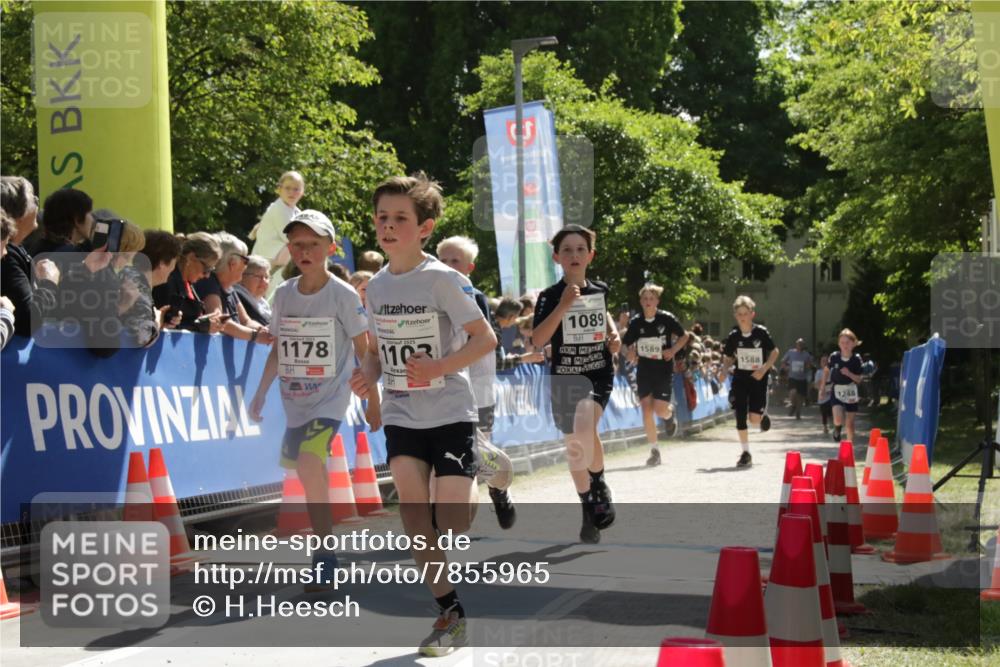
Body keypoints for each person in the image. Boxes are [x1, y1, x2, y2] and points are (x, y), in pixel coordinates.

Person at [349, 174, 496, 657]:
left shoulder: (443, 279)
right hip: (402, 412)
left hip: (450, 409)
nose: (388, 227)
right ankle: (451, 613)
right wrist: (368, 373)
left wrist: (436, 367)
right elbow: (375, 349)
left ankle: (482, 466)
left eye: (400, 219)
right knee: (414, 515)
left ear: (425, 228)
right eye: (382, 218)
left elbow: (485, 340)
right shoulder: (377, 287)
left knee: (450, 524)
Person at [249, 210, 373, 593]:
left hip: (331, 398)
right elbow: (279, 350)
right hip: (294, 399)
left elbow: (364, 347)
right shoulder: (283, 295)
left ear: (330, 248)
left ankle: (323, 553)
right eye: (297, 245)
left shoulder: (343, 294)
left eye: (313, 245)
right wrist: (261, 391)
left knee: (308, 460)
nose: (304, 251)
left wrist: (371, 394)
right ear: (289, 249)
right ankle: (325, 545)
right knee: (304, 471)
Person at [532, 224, 622, 544]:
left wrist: (614, 336)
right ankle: (588, 509)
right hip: (565, 377)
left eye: (580, 249)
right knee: (575, 447)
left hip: (597, 371)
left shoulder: (600, 289)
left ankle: (598, 484)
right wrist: (563, 306)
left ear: (590, 255)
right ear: (557, 257)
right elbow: (538, 339)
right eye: (567, 250)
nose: (574, 254)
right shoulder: (550, 296)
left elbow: (604, 315)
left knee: (585, 423)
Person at [436, 235, 525, 530]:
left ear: (469, 267)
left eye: (455, 261)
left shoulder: (475, 298)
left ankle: (498, 488)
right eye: (443, 260)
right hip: (443, 388)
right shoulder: (428, 295)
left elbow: (481, 343)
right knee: (451, 457)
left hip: (478, 389)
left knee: (478, 454)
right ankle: (443, 521)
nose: (448, 266)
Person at [621, 284, 688, 467]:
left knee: (660, 410)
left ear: (657, 301)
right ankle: (654, 451)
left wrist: (673, 350)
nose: (648, 302)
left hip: (663, 370)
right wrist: (629, 353)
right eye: (645, 299)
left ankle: (670, 415)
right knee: (646, 410)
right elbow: (625, 344)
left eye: (651, 299)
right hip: (644, 370)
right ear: (641, 301)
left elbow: (684, 336)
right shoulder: (636, 322)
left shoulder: (666, 318)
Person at [718, 295, 779, 469]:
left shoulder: (761, 332)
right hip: (740, 378)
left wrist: (764, 368)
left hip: (758, 379)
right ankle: (745, 453)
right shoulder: (734, 335)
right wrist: (723, 371)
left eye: (746, 313)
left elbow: (774, 351)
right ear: (735, 315)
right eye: (739, 314)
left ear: (752, 314)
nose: (743, 316)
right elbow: (728, 357)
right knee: (740, 413)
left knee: (754, 420)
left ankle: (762, 414)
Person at [0, 179, 60, 338]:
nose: (37, 203)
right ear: (18, 214)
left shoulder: (13, 250)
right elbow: (29, 321)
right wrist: (49, 283)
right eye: (33, 199)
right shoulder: (8, 258)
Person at [196, 232, 272, 343]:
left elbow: (246, 321)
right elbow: (220, 321)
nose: (246, 266)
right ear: (232, 263)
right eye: (245, 260)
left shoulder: (230, 288)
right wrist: (255, 336)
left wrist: (264, 331)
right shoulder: (209, 282)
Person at [151, 232, 225, 334]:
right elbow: (166, 323)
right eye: (206, 268)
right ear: (191, 258)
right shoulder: (166, 281)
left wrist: (206, 322)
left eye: (211, 270)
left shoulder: (187, 283)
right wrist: (199, 326)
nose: (207, 275)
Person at [249, 171, 305, 291]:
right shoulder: (279, 208)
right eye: (288, 188)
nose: (291, 192)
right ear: (279, 189)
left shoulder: (295, 211)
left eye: (296, 189)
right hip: (267, 261)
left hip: (276, 262)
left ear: (302, 192)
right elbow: (291, 236)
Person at [30, 188, 95, 272]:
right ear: (77, 219)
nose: (92, 219)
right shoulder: (74, 258)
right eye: (89, 213)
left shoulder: (37, 252)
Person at [820, 329, 864, 443]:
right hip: (837, 389)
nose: (845, 345)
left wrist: (849, 373)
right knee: (838, 419)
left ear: (853, 343)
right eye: (842, 343)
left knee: (849, 423)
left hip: (851, 390)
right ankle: (837, 429)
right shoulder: (834, 356)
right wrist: (822, 387)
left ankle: (849, 448)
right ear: (839, 344)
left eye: (848, 342)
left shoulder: (856, 359)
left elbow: (859, 379)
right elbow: (826, 371)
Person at [234, 255, 272, 326]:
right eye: (258, 276)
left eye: (266, 277)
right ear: (242, 276)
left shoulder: (262, 302)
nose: (264, 281)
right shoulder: (237, 297)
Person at [781, 338, 814, 419]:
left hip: (802, 378)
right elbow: (783, 361)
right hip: (793, 377)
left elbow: (810, 365)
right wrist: (786, 367)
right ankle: (793, 405)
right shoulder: (791, 352)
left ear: (803, 346)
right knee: (793, 393)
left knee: (800, 397)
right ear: (796, 345)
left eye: (802, 344)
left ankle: (798, 413)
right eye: (799, 344)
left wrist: (807, 367)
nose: (800, 346)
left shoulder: (806, 354)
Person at [814, 354, 833, 435]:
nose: (824, 363)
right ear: (820, 363)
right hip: (822, 396)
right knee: (824, 412)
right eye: (823, 361)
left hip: (831, 395)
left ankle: (834, 424)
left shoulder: (832, 371)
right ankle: (825, 427)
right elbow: (816, 384)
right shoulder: (818, 372)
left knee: (831, 411)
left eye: (826, 361)